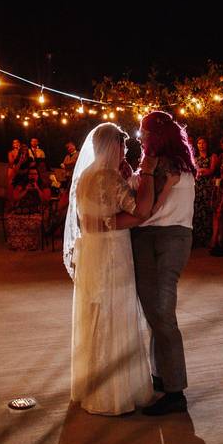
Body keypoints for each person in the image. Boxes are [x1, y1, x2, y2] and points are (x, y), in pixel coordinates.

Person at [64, 122, 156, 415]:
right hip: (114, 254)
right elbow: (140, 212)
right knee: (117, 314)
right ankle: (114, 394)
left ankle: (90, 386)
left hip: (91, 252)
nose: (125, 151)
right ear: (113, 147)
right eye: (123, 146)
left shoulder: (85, 178)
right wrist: (148, 176)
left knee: (95, 314)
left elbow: (89, 219)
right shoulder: (110, 179)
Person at [130, 111, 197, 415]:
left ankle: (175, 391)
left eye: (143, 131)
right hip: (177, 236)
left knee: (161, 313)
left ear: (156, 135)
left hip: (159, 238)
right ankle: (164, 377)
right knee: (158, 312)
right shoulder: (181, 163)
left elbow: (143, 207)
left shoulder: (161, 164)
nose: (139, 136)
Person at [192, 137, 220, 247]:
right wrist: (202, 171)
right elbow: (195, 172)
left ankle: (208, 238)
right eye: (199, 143)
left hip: (208, 187)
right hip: (198, 187)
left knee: (207, 210)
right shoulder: (195, 158)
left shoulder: (212, 156)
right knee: (197, 210)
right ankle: (198, 238)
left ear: (207, 144)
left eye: (203, 143)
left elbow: (211, 171)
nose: (201, 145)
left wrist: (201, 171)